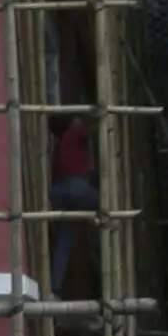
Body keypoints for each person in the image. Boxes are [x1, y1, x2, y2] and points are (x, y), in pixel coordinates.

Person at [48, 113, 99, 299]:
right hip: (76, 187)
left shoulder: (59, 144)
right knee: (107, 207)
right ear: (71, 123)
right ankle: (99, 219)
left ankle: (54, 287)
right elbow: (96, 127)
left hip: (58, 192)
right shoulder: (74, 133)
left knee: (65, 241)